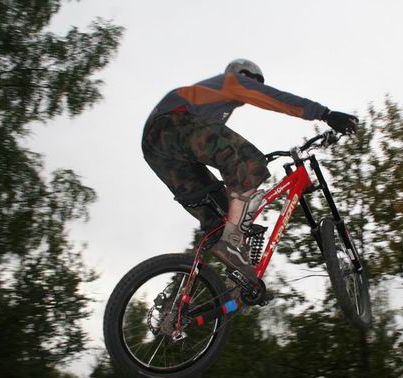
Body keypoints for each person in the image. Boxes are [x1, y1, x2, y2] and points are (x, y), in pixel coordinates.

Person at [142, 59, 358, 289]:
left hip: (158, 151)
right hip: (171, 125)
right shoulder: (231, 81)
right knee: (249, 161)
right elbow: (275, 98)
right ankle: (232, 243)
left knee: (220, 217)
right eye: (254, 82)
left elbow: (208, 144)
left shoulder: (210, 110)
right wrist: (325, 114)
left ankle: (214, 292)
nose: (254, 87)